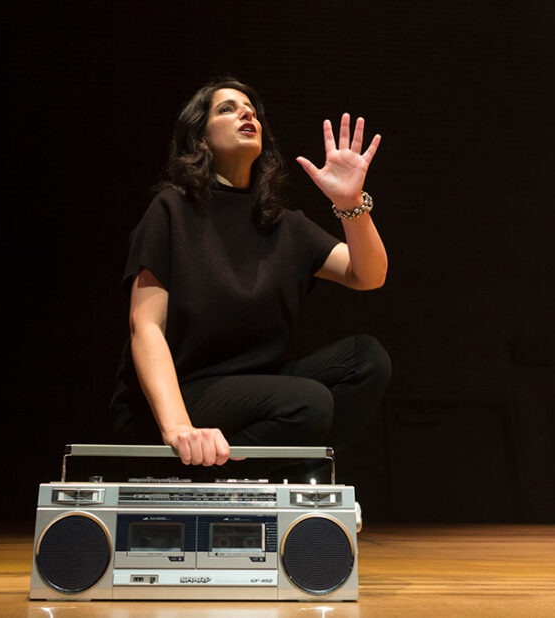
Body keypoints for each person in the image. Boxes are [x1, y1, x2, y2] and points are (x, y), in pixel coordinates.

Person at [109, 77, 391, 472]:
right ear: (200, 139)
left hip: (260, 391)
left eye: (251, 110)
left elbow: (369, 274)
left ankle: (294, 471)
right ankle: (198, 474)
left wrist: (351, 203)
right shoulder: (173, 210)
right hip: (182, 392)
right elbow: (146, 326)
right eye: (227, 108)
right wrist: (178, 428)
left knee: (366, 360)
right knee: (307, 402)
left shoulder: (285, 224)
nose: (246, 113)